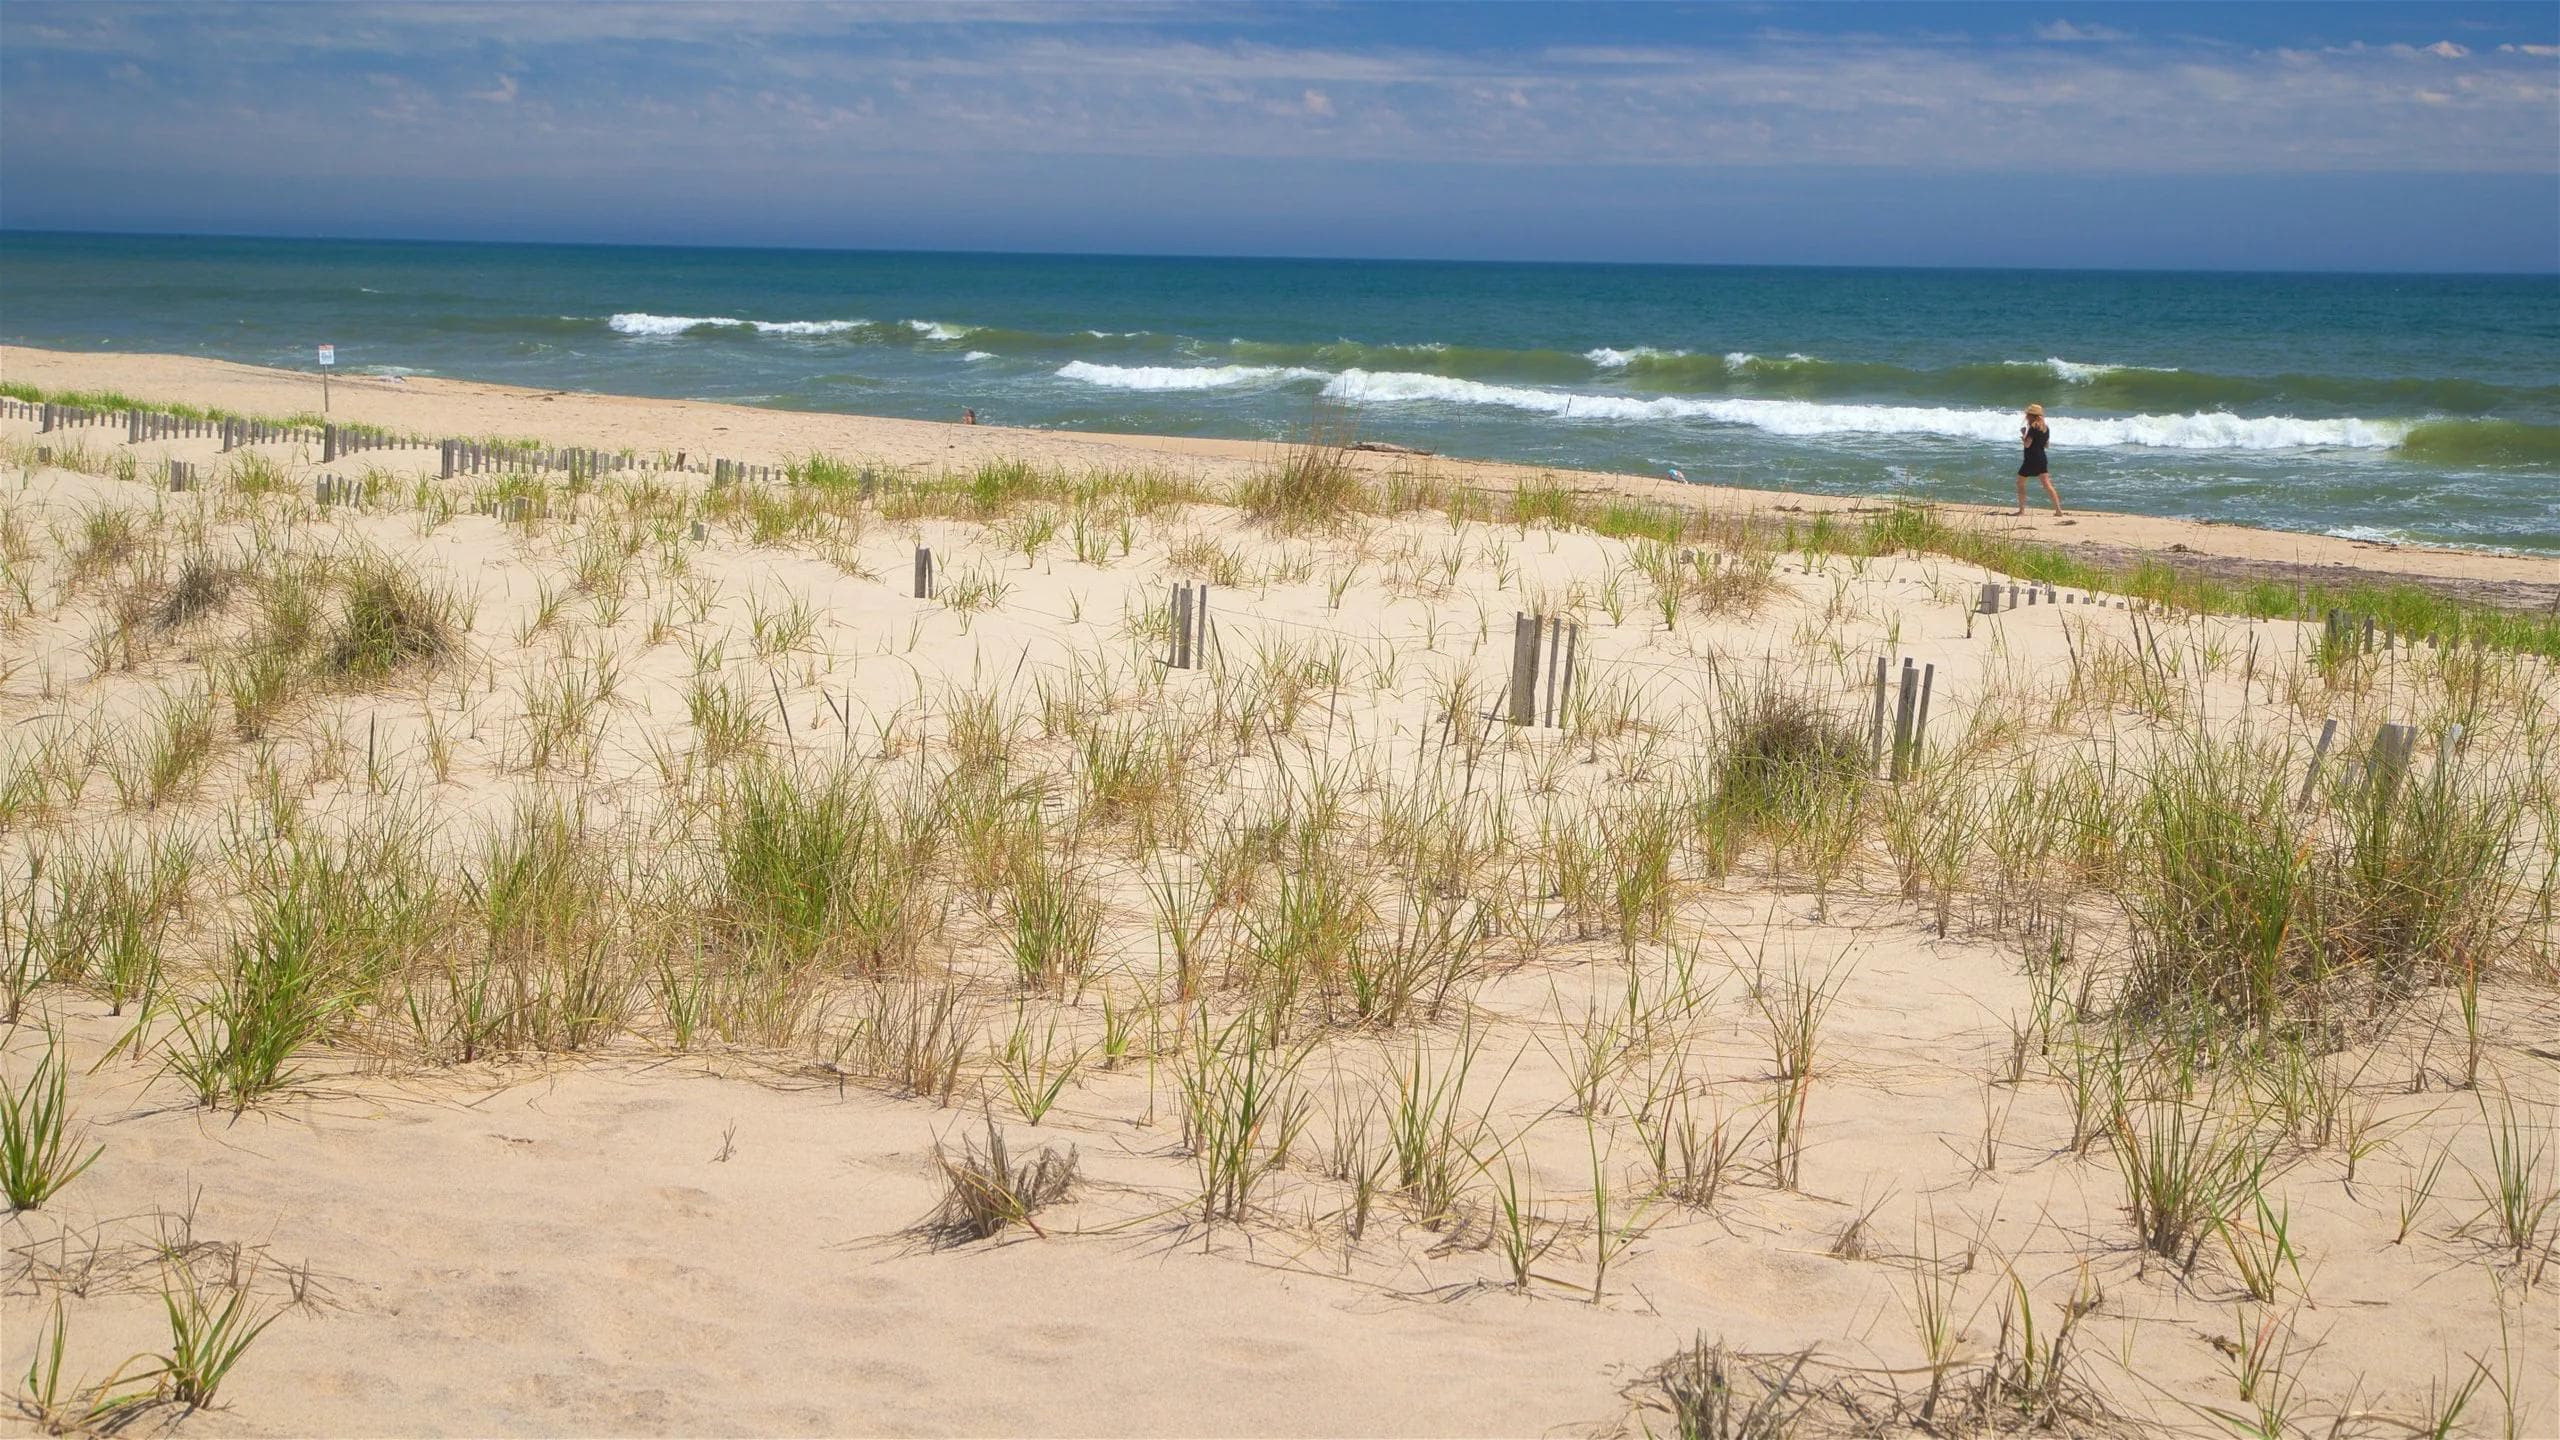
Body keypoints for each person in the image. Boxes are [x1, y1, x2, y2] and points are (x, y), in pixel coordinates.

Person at [2015, 403, 2061, 516]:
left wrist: (2023, 434)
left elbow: (2027, 444)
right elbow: (2046, 445)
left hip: (2031, 459)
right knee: (2047, 484)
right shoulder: (2046, 428)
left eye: (2027, 415)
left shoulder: (2033, 428)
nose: (2026, 417)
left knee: (2020, 483)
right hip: (2042, 458)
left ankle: (2021, 510)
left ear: (2031, 416)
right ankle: (2058, 510)